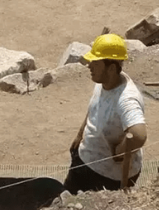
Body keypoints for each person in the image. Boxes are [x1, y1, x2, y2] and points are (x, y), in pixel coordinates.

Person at [63, 33, 147, 194]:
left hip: (106, 177)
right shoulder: (104, 82)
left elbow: (138, 134)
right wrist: (80, 135)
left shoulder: (126, 99)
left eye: (95, 62)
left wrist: (119, 151)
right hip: (85, 161)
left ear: (111, 68)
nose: (89, 65)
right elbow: (94, 107)